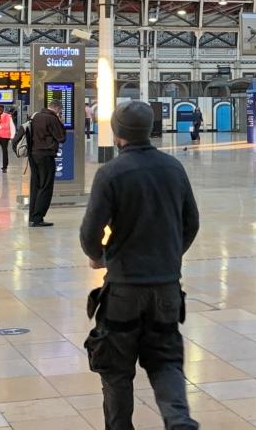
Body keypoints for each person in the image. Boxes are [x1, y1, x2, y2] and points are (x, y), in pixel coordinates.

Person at [80, 101, 201, 430]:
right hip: (166, 288)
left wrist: (100, 257)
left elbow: (90, 233)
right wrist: (171, 255)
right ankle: (179, 422)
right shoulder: (173, 167)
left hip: (123, 290)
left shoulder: (111, 173)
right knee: (165, 361)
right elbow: (191, 222)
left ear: (117, 133)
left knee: (116, 369)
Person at [28, 100, 66, 228]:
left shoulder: (35, 116)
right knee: (45, 186)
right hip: (46, 155)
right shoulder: (52, 118)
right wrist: (61, 123)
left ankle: (32, 216)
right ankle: (38, 218)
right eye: (59, 112)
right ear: (57, 109)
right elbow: (62, 138)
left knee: (35, 185)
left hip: (33, 155)